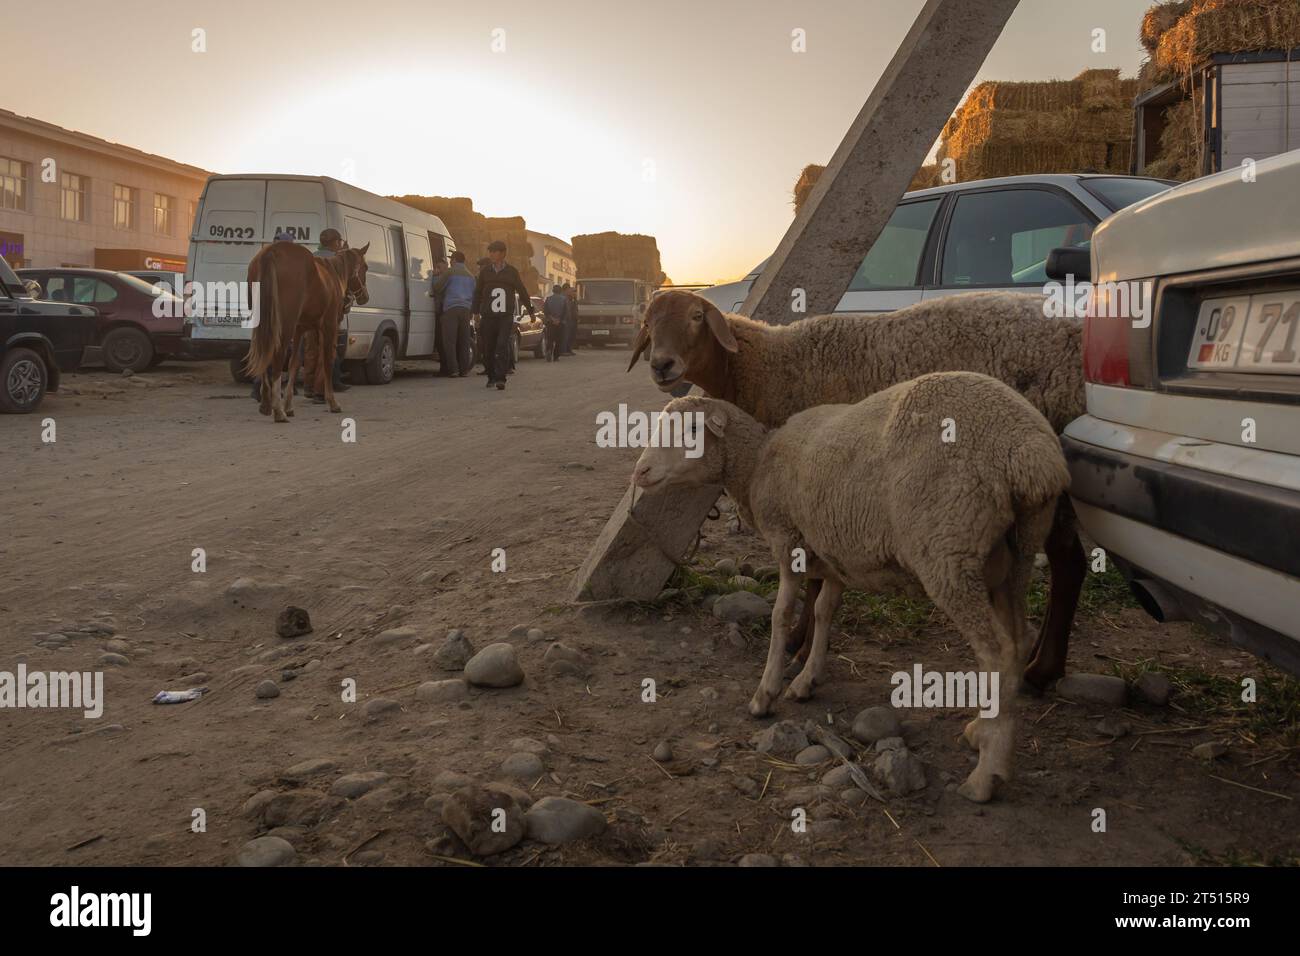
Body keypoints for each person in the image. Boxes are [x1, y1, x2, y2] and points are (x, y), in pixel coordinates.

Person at [472, 240, 535, 390]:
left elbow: (522, 292)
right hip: (488, 316)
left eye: (495, 251)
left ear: (503, 253)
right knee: (489, 347)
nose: (492, 254)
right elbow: (477, 293)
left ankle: (501, 378)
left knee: (502, 345)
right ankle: (491, 376)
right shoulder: (485, 272)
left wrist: (531, 311)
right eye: (490, 252)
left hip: (505, 316)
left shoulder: (512, 272)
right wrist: (475, 313)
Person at [303, 227, 351, 401]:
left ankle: (308, 386)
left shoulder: (310, 257)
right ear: (335, 243)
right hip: (328, 311)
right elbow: (342, 287)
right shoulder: (338, 261)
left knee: (310, 349)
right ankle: (320, 390)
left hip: (309, 311)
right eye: (339, 242)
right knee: (327, 349)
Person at [432, 251, 474, 377]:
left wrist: (435, 276)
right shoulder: (471, 276)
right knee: (464, 341)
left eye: (451, 259)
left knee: (449, 341)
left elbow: (437, 287)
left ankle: (453, 370)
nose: (450, 261)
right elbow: (474, 295)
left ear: (455, 260)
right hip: (466, 310)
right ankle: (464, 370)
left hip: (451, 309)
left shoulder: (450, 272)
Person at [542, 284, 568, 362]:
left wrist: (552, 319)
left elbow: (545, 311)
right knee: (559, 340)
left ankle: (549, 350)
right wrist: (559, 320)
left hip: (550, 322)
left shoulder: (548, 299)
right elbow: (565, 312)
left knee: (550, 338)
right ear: (560, 291)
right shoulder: (564, 299)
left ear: (553, 291)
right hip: (560, 323)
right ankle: (556, 356)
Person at [562, 283, 579, 356]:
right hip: (567, 320)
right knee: (566, 335)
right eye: (571, 291)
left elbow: (575, 309)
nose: (573, 293)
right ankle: (564, 350)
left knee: (571, 335)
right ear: (566, 290)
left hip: (572, 320)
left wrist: (574, 299)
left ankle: (569, 349)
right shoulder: (564, 298)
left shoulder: (571, 299)